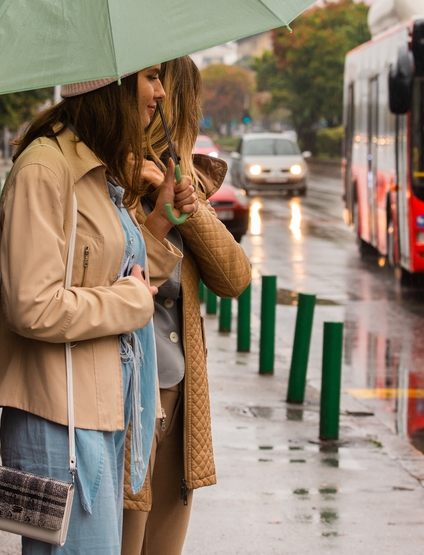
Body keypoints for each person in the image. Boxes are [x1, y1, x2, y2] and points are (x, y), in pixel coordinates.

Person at [0, 64, 195, 554]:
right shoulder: (45, 169)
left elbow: (115, 272)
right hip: (56, 417)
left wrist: (159, 224)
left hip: (99, 407)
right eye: (149, 77)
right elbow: (33, 305)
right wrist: (131, 302)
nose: (160, 92)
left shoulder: (95, 172)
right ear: (111, 86)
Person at [122, 57, 252, 555]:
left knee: (163, 543)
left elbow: (234, 278)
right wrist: (144, 198)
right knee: (122, 539)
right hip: (127, 391)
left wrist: (183, 201)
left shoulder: (184, 180)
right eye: (152, 84)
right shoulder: (112, 175)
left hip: (178, 394)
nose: (158, 97)